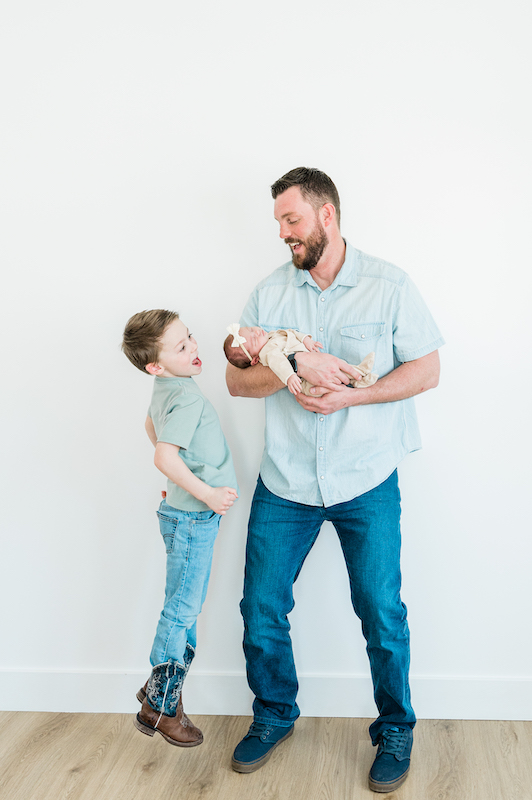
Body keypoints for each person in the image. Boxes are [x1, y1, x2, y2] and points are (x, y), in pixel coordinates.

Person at [225, 168, 444, 792]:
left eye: (291, 219)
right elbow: (236, 379)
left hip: (365, 478)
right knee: (261, 607)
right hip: (286, 481)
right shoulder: (268, 294)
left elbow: (427, 370)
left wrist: (352, 396)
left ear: (327, 216)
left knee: (381, 610)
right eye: (279, 222)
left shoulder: (389, 284)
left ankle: (395, 727)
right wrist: (293, 362)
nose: (283, 233)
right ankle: (274, 714)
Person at [122, 309, 238, 747]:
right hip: (193, 518)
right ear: (156, 365)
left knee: (184, 608)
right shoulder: (186, 396)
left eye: (190, 338)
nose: (194, 348)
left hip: (183, 513)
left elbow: (150, 426)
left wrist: (180, 482)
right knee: (181, 612)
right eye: (181, 346)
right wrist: (205, 493)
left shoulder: (168, 388)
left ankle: (161, 691)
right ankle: (160, 705)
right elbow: (164, 456)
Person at [223, 324, 377, 396]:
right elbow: (279, 364)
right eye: (254, 340)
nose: (257, 333)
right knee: (328, 385)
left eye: (251, 329)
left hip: (318, 363)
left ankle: (358, 379)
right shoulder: (268, 351)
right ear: (255, 359)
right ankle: (360, 375)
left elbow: (291, 332)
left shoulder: (272, 336)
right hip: (305, 381)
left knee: (337, 368)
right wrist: (290, 375)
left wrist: (306, 340)